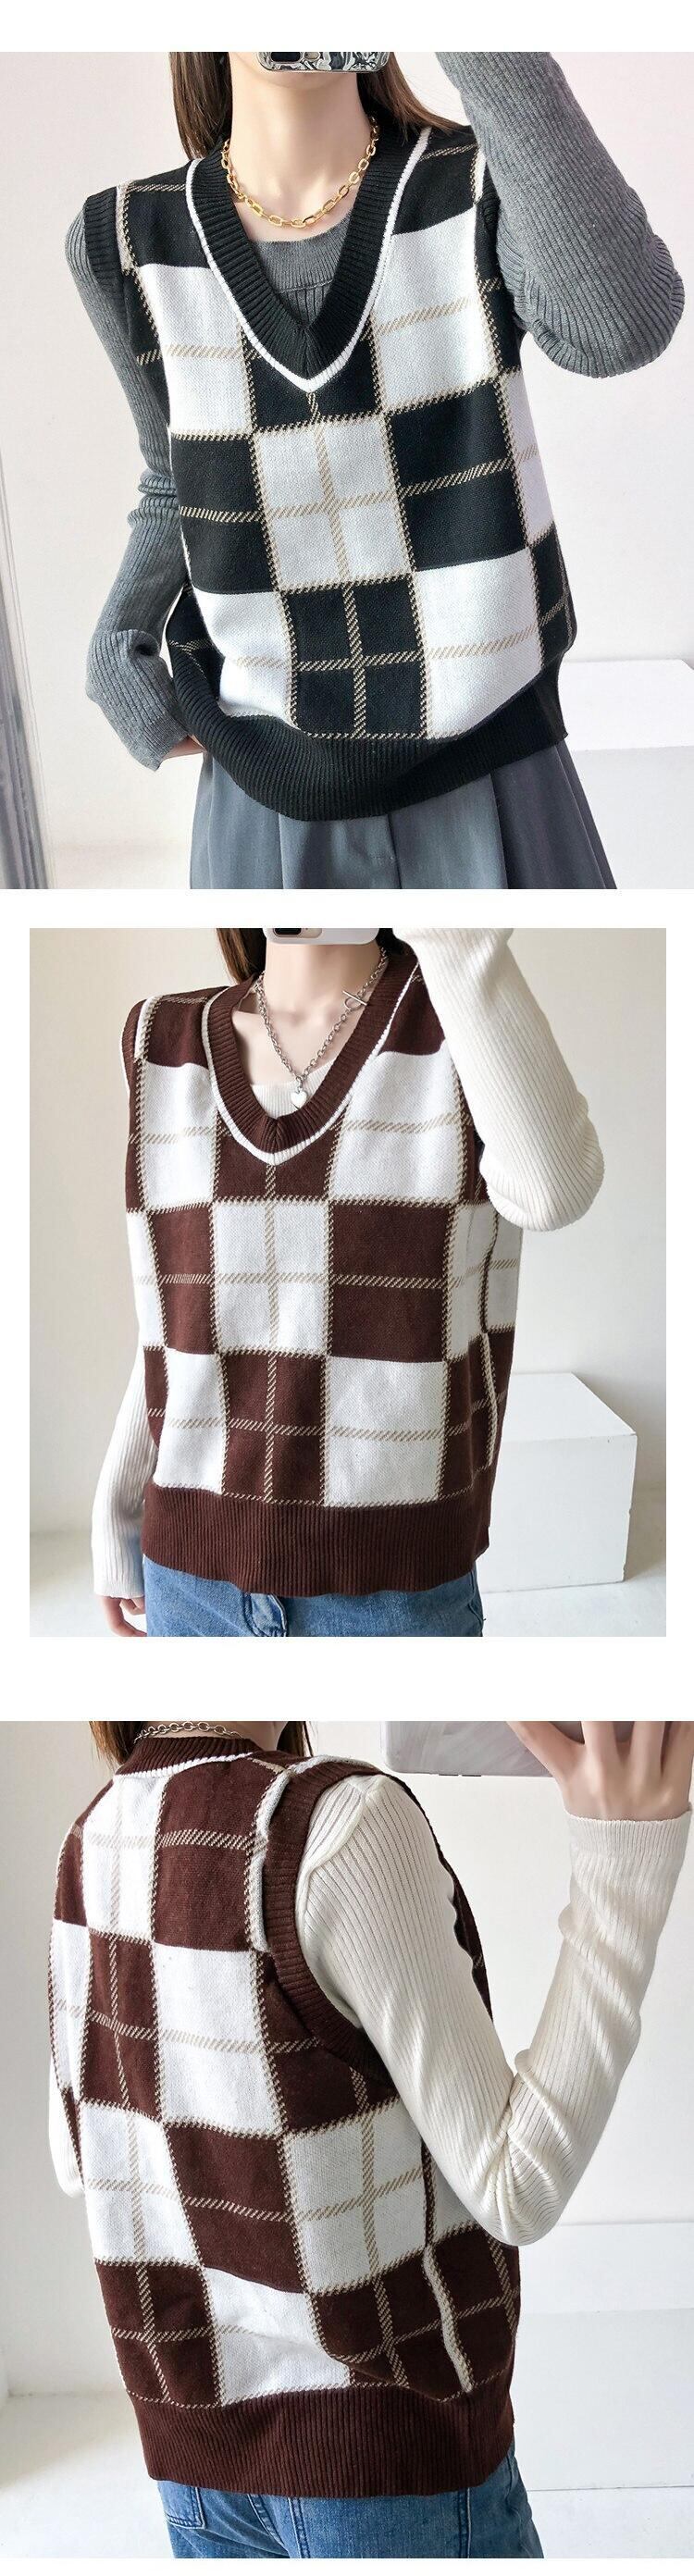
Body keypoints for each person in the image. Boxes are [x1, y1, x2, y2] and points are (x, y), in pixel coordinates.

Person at [48, 1715, 693, 2559]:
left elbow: (81, 2159)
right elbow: (517, 2185)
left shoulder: (92, 1834)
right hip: (385, 2476)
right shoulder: (340, 1826)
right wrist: (624, 1866)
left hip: (193, 2475)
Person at [68, 52, 684, 891]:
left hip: (499, 768)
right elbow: (178, 475)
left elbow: (619, 330)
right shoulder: (125, 239)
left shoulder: (478, 181)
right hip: (266, 792)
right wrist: (119, 634)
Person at [91, 925, 603, 1639]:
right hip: (189, 1580)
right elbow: (176, 1324)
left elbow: (552, 1193)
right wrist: (117, 1510)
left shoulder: (455, 1020)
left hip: (394, 1588)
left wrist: (454, 932)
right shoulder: (162, 1041)